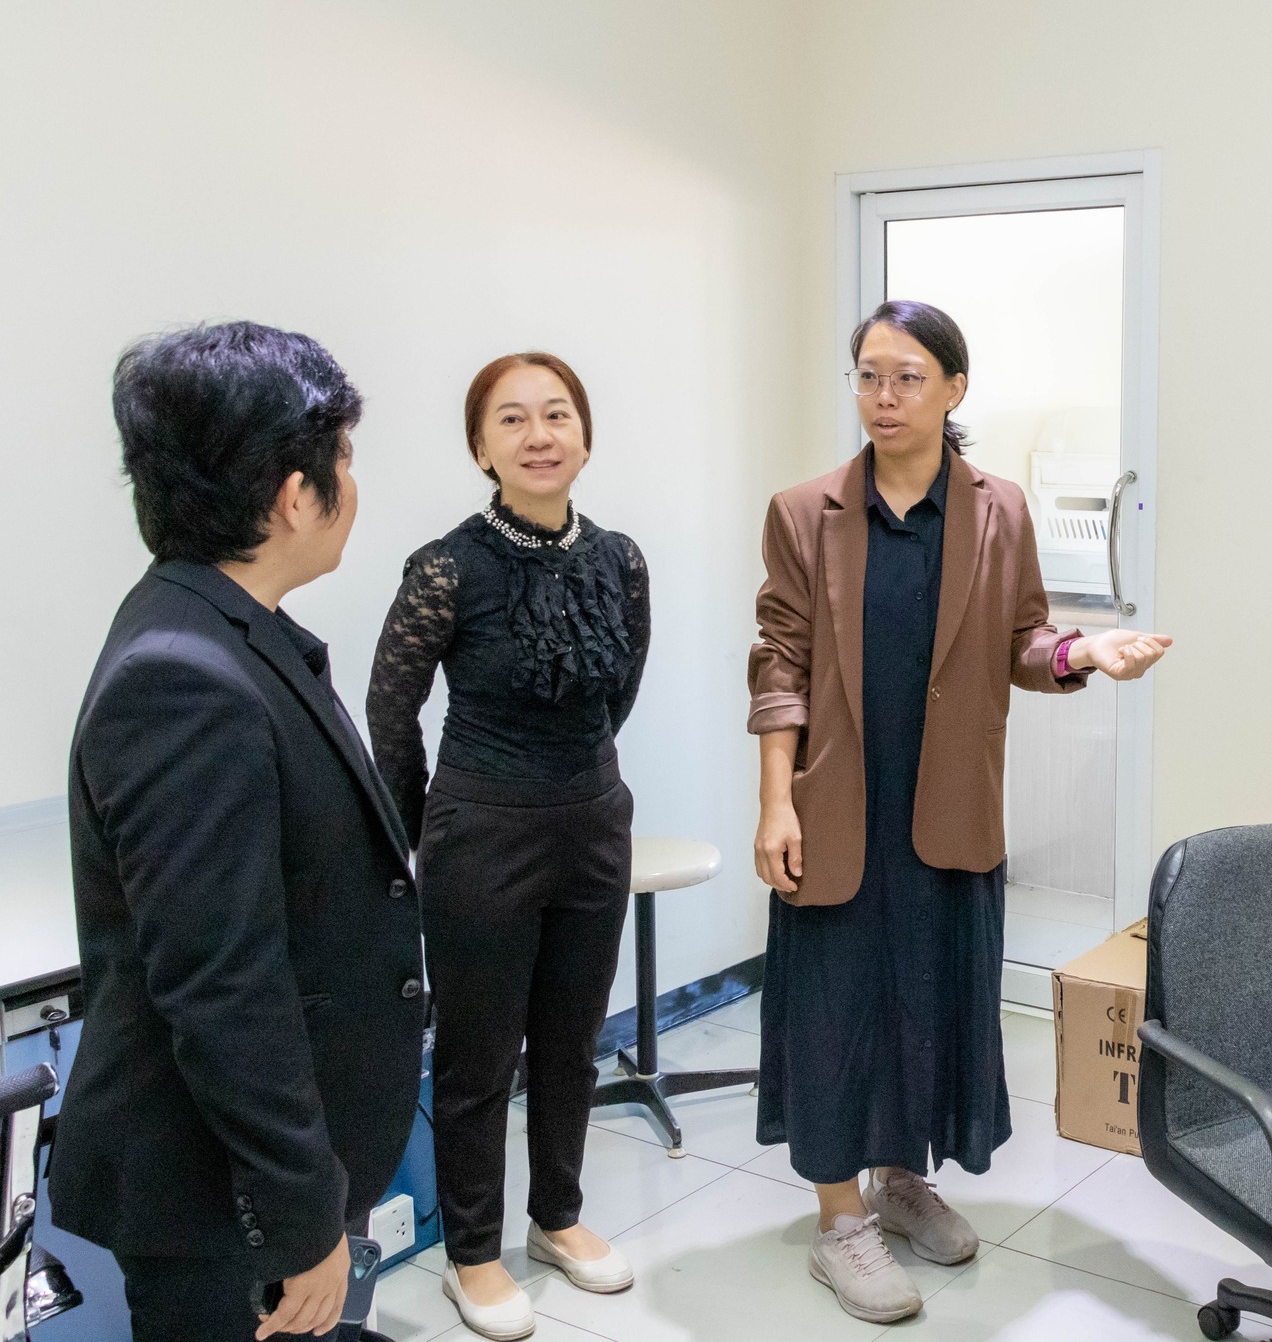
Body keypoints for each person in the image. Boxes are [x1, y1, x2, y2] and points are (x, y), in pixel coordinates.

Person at [748, 300, 1172, 1323]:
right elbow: (779, 664)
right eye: (867, 375)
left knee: (927, 1002)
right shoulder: (805, 512)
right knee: (834, 1011)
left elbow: (1022, 639)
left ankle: (901, 1179)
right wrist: (774, 804)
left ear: (953, 388)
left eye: (906, 376)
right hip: (836, 806)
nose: (883, 396)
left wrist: (1082, 650)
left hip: (947, 807)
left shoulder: (997, 510)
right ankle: (838, 1221)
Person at [51, 322, 427, 1341]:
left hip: (259, 1170)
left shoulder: (219, 629)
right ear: (294, 494)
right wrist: (300, 1220)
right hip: (219, 1192)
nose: (352, 484)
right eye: (344, 458)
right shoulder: (184, 677)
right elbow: (221, 983)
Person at [367, 352, 649, 1340]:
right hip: (480, 833)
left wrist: (576, 777)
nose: (540, 435)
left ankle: (557, 1216)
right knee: (478, 1058)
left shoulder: (620, 559)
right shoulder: (447, 567)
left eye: (557, 414)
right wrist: (421, 833)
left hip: (593, 822)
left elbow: (618, 691)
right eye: (514, 419)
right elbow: (390, 713)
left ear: (585, 436)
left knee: (573, 1041)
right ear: (481, 448)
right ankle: (474, 1254)